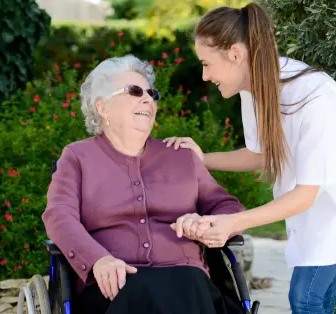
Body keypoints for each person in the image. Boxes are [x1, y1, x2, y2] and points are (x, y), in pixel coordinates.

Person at [164, 3, 336, 314]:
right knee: (317, 290)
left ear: (236, 54)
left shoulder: (315, 98)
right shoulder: (252, 88)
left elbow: (306, 195)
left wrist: (233, 222)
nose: (205, 75)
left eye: (207, 64)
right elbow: (261, 154)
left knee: (305, 297)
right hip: (305, 195)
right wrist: (202, 158)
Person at [42, 54, 245, 314]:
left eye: (151, 93)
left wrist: (209, 224)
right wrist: (98, 260)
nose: (147, 99)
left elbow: (226, 205)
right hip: (114, 287)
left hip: (187, 284)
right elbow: (59, 215)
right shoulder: (78, 157)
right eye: (134, 91)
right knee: (141, 288)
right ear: (102, 107)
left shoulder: (181, 156)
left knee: (188, 282)